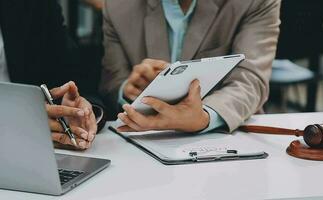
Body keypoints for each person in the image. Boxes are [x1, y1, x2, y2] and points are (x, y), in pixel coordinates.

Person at [99, 0, 281, 133]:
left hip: (225, 133)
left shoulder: (254, 3)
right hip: (142, 139)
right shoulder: (118, 6)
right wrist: (128, 91)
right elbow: (112, 81)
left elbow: (250, 81)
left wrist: (204, 116)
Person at [0, 0, 101, 149]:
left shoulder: (34, 5)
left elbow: (75, 80)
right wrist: (18, 119)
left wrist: (77, 112)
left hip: (32, 149)